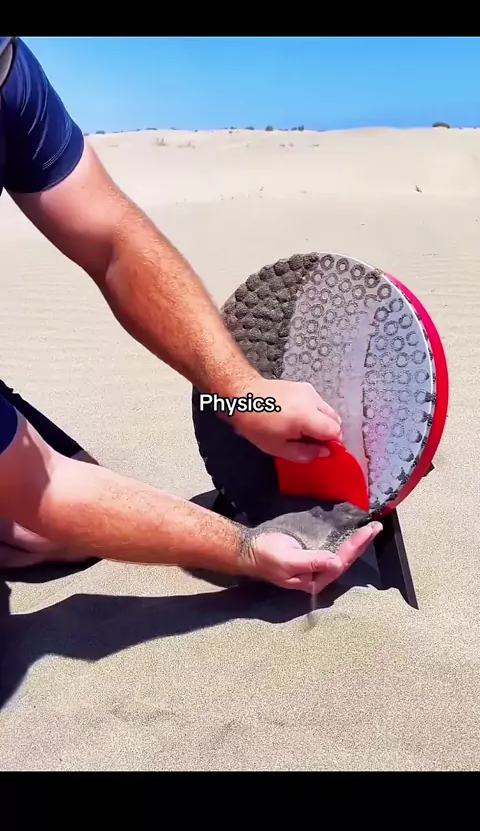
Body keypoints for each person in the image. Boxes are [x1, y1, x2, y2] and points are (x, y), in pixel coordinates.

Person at [0, 38, 381, 591]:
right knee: (33, 522)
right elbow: (47, 486)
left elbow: (112, 241)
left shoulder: (7, 72)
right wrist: (244, 550)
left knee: (54, 530)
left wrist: (243, 394)